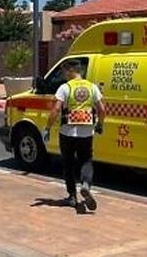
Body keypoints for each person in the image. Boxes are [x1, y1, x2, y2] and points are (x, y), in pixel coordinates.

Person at [43, 59, 105, 211]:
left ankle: (72, 196)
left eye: (64, 71)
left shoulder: (65, 87)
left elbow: (56, 109)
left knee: (68, 163)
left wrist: (48, 127)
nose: (64, 74)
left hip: (67, 131)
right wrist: (100, 124)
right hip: (86, 130)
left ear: (71, 70)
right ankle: (85, 184)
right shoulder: (92, 87)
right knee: (86, 160)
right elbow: (102, 109)